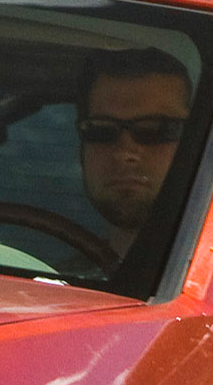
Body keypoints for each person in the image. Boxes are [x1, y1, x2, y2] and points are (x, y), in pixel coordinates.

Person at [76, 48, 195, 245]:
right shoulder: (45, 272)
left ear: (195, 139)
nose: (125, 152)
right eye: (101, 130)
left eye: (157, 129)